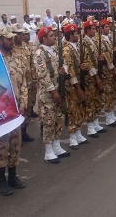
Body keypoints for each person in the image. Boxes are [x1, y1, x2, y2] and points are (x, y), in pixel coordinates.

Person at [0, 27, 28, 195]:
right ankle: (1, 181)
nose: (12, 41)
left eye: (12, 38)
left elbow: (23, 84)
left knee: (15, 144)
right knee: (1, 146)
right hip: (0, 112)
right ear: (0, 40)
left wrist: (23, 102)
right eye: (8, 39)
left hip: (16, 110)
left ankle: (12, 177)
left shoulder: (17, 58)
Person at [34, 26, 70, 164]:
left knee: (58, 118)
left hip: (58, 88)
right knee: (49, 121)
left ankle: (57, 146)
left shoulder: (55, 50)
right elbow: (42, 75)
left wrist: (64, 69)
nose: (55, 37)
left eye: (55, 35)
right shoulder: (39, 54)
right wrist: (53, 91)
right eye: (51, 36)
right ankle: (48, 151)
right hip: (47, 93)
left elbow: (65, 63)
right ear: (44, 38)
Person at [62, 23, 90, 149]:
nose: (78, 35)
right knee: (73, 110)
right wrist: (78, 88)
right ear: (70, 35)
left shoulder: (77, 46)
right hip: (73, 84)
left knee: (79, 108)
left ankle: (78, 133)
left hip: (79, 80)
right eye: (76, 34)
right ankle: (73, 137)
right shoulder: (67, 49)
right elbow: (70, 70)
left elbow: (77, 65)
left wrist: (82, 67)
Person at [81, 19, 106, 137]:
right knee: (90, 101)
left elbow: (94, 58)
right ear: (87, 30)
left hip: (96, 74)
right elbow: (88, 62)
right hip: (90, 78)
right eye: (93, 29)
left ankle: (96, 123)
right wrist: (97, 77)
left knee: (96, 99)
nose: (95, 30)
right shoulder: (84, 43)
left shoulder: (92, 41)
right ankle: (90, 127)